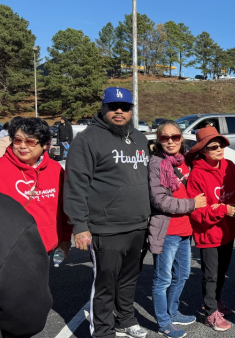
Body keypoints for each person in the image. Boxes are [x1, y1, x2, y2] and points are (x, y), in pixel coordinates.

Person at [64, 87, 151, 338]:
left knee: (129, 279)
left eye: (125, 107)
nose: (119, 111)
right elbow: (75, 184)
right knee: (104, 284)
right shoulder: (88, 139)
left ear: (132, 110)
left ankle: (125, 319)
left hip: (137, 224)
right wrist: (79, 225)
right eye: (113, 107)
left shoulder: (139, 138)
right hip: (106, 227)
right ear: (103, 108)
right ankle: (103, 331)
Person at [147, 121, 208, 337]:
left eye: (175, 137)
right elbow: (159, 201)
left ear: (181, 138)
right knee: (163, 279)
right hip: (167, 231)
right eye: (165, 137)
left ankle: (172, 312)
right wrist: (192, 204)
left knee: (181, 275)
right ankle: (163, 323)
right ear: (159, 140)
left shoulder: (184, 162)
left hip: (185, 229)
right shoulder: (157, 164)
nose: (170, 141)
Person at [187, 126, 235, 332]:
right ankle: (210, 312)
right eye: (213, 146)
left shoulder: (230, 167)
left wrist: (232, 208)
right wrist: (221, 210)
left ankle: (216, 301)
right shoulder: (197, 175)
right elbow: (197, 213)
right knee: (210, 274)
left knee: (222, 271)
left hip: (228, 231)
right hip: (208, 233)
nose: (219, 149)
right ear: (203, 151)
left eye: (221, 145)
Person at [0, 117, 72, 256]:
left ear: (45, 144)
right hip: (8, 249)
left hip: (45, 246)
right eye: (17, 140)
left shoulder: (55, 169)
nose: (22, 146)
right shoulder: (2, 168)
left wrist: (65, 237)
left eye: (30, 142)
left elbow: (65, 208)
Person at [0, 193, 53, 338]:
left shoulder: (53, 170)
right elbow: (28, 315)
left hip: (40, 241)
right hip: (25, 241)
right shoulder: (9, 213)